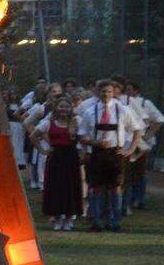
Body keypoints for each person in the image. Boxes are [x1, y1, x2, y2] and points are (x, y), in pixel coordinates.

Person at [79, 80, 144, 233]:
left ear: (114, 92)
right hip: (97, 152)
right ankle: (96, 221)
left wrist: (130, 149)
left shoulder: (123, 110)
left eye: (109, 91)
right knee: (96, 187)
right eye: (103, 91)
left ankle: (115, 222)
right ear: (98, 93)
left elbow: (137, 130)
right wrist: (95, 142)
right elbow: (81, 135)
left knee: (115, 188)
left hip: (116, 153)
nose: (106, 94)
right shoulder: (90, 111)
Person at [30, 96, 82, 231]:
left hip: (71, 158)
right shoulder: (48, 122)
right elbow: (33, 135)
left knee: (71, 187)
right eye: (61, 106)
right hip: (56, 158)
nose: (64, 109)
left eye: (66, 106)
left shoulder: (77, 121)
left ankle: (70, 218)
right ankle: (58, 218)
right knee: (56, 188)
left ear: (71, 108)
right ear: (56, 108)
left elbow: (84, 137)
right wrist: (43, 150)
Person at [122, 80, 164, 210]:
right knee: (127, 171)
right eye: (126, 89)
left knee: (138, 171)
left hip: (140, 142)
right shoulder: (123, 102)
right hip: (127, 140)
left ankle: (138, 198)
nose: (127, 92)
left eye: (130, 89)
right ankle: (128, 200)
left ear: (136, 91)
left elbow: (159, 119)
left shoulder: (144, 103)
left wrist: (148, 135)